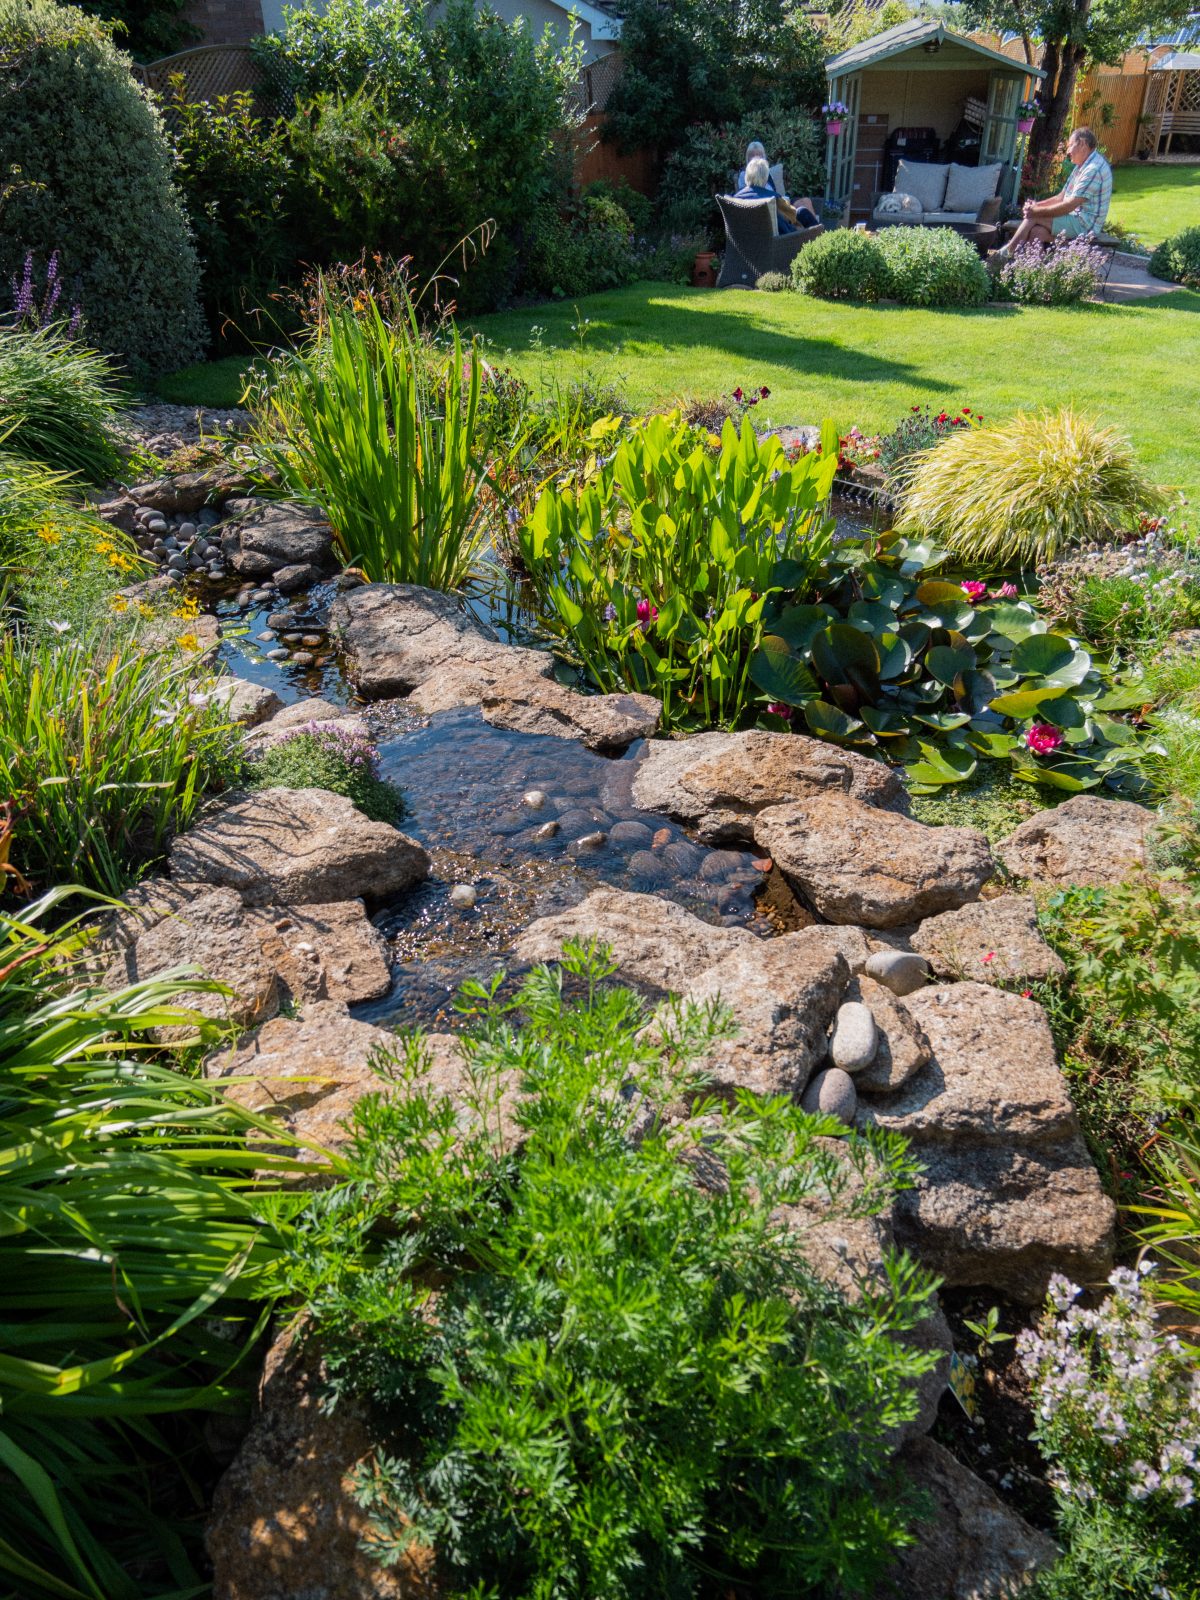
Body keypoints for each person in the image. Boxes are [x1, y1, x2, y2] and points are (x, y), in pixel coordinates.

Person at [991, 127, 1112, 261]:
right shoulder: (1082, 165)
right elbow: (1061, 197)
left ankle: (1004, 256)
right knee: (1036, 232)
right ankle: (1036, 272)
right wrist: (1036, 205)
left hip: (1085, 225)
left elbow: (1069, 205)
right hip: (1076, 219)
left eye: (1070, 145)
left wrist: (1035, 211)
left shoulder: (1093, 169)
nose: (1067, 151)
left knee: (1034, 216)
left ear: (1082, 143)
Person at [733, 156, 819, 235]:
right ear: (765, 178)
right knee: (802, 212)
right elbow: (792, 215)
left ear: (747, 176)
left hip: (744, 241)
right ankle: (821, 243)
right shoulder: (773, 198)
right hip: (778, 243)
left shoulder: (735, 198)